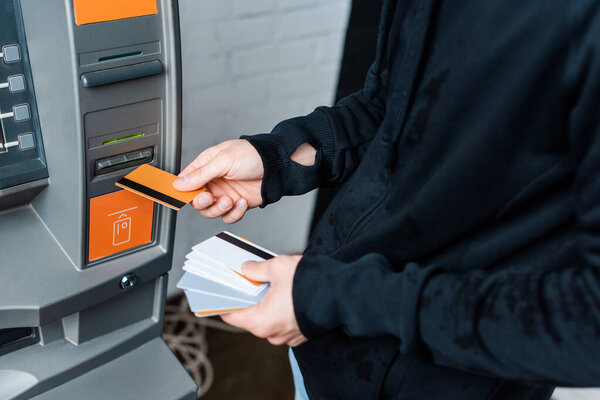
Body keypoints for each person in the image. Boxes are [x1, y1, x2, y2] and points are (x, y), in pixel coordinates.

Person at [173, 0, 600, 399]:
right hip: (323, 344)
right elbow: (387, 105)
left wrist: (338, 298)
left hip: (448, 380)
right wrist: (279, 157)